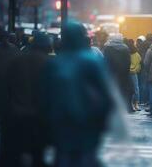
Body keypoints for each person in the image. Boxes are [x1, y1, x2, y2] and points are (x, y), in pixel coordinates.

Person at [40, 22, 114, 167]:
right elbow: (106, 94)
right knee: (86, 158)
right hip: (88, 122)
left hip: (60, 122)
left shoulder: (54, 63)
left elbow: (44, 96)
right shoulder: (92, 61)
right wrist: (103, 120)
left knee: (63, 157)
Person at [0, 33, 51, 167]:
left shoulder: (16, 61)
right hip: (39, 119)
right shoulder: (49, 64)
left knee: (14, 157)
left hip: (15, 116)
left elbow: (5, 89)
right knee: (37, 156)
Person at [103, 33, 134, 112]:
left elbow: (105, 61)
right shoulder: (125, 48)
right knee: (124, 90)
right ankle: (126, 107)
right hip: (123, 73)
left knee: (112, 90)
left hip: (112, 73)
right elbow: (128, 61)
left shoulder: (108, 48)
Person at [126, 39, 142, 111]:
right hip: (134, 73)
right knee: (136, 88)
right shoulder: (136, 53)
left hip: (127, 73)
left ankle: (131, 104)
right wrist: (137, 70)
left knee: (128, 88)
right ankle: (136, 104)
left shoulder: (126, 52)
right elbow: (139, 62)